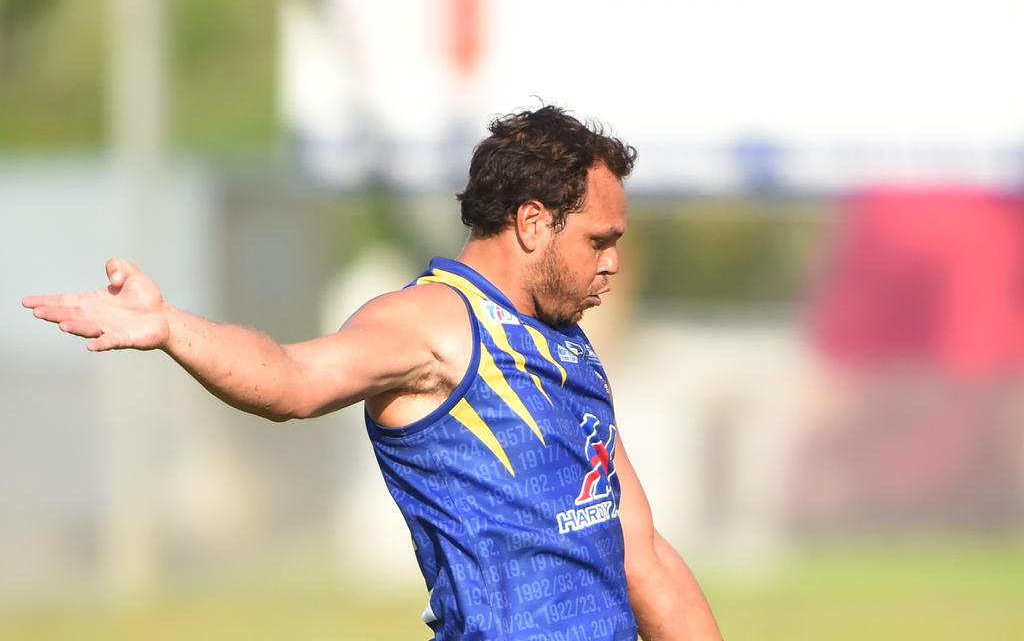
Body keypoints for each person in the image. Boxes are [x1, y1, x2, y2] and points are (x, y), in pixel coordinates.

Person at [23, 106, 722, 641]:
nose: (612, 264)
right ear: (533, 223)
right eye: (598, 241)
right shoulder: (431, 325)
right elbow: (293, 380)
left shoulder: (568, 346)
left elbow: (642, 556)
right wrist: (173, 328)